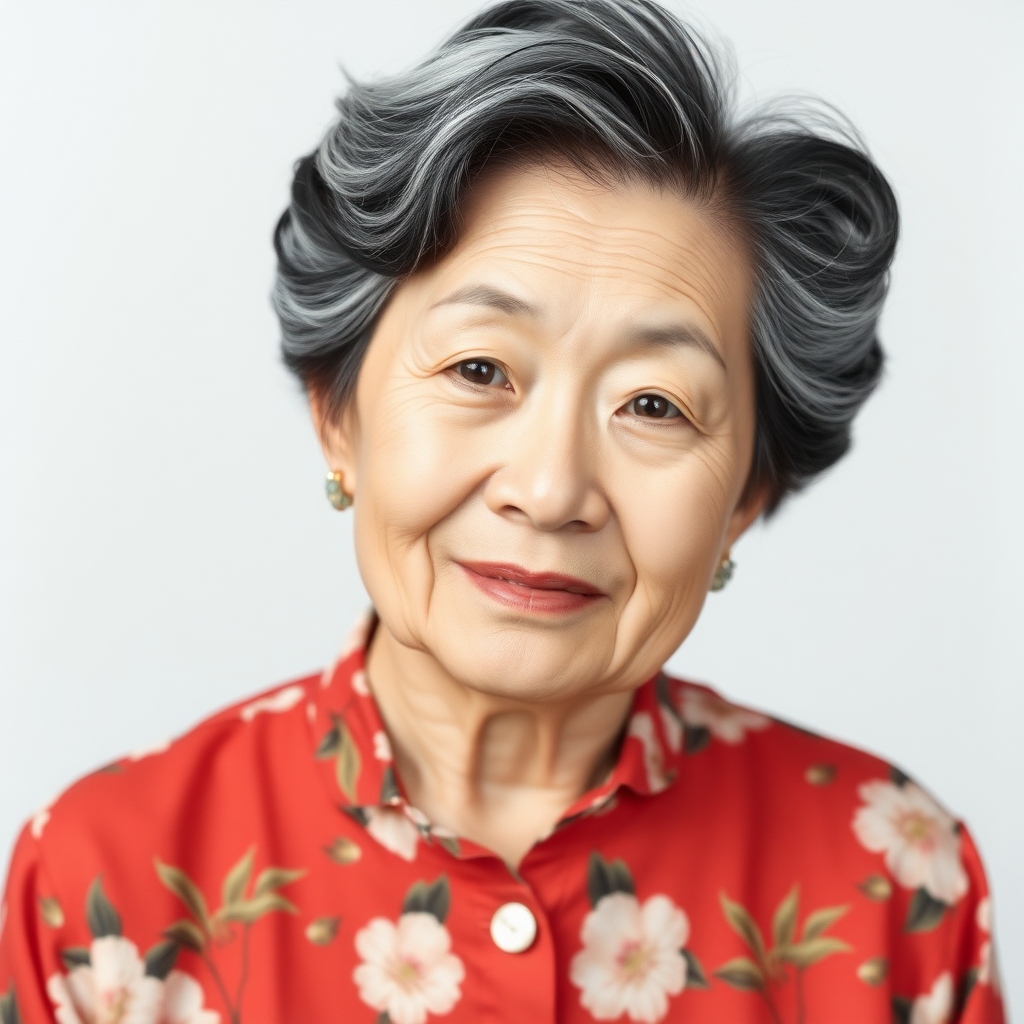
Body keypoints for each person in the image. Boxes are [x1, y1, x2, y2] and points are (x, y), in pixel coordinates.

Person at [0, 1, 1005, 1021]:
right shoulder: (103, 887)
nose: (550, 489)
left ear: (746, 492)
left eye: (652, 405)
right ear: (337, 414)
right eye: (480, 368)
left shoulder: (894, 881)